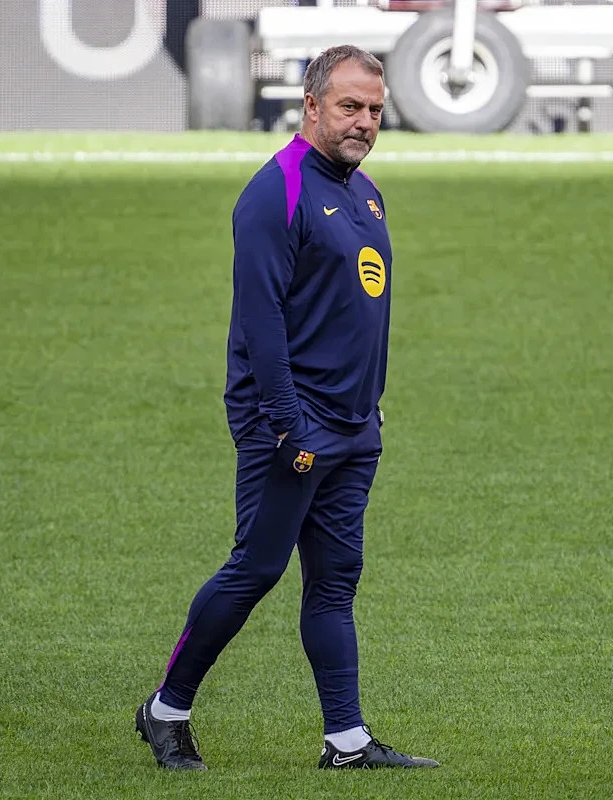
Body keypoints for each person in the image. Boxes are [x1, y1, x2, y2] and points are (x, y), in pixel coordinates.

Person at [134, 45, 439, 772]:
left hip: (353, 426)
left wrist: (370, 407)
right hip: (291, 426)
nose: (364, 122)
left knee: (335, 582)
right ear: (310, 106)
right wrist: (287, 424)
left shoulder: (365, 191)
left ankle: (346, 741)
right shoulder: (277, 193)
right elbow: (261, 320)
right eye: (349, 107)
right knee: (256, 569)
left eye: (375, 109)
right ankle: (165, 710)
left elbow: (357, 309)